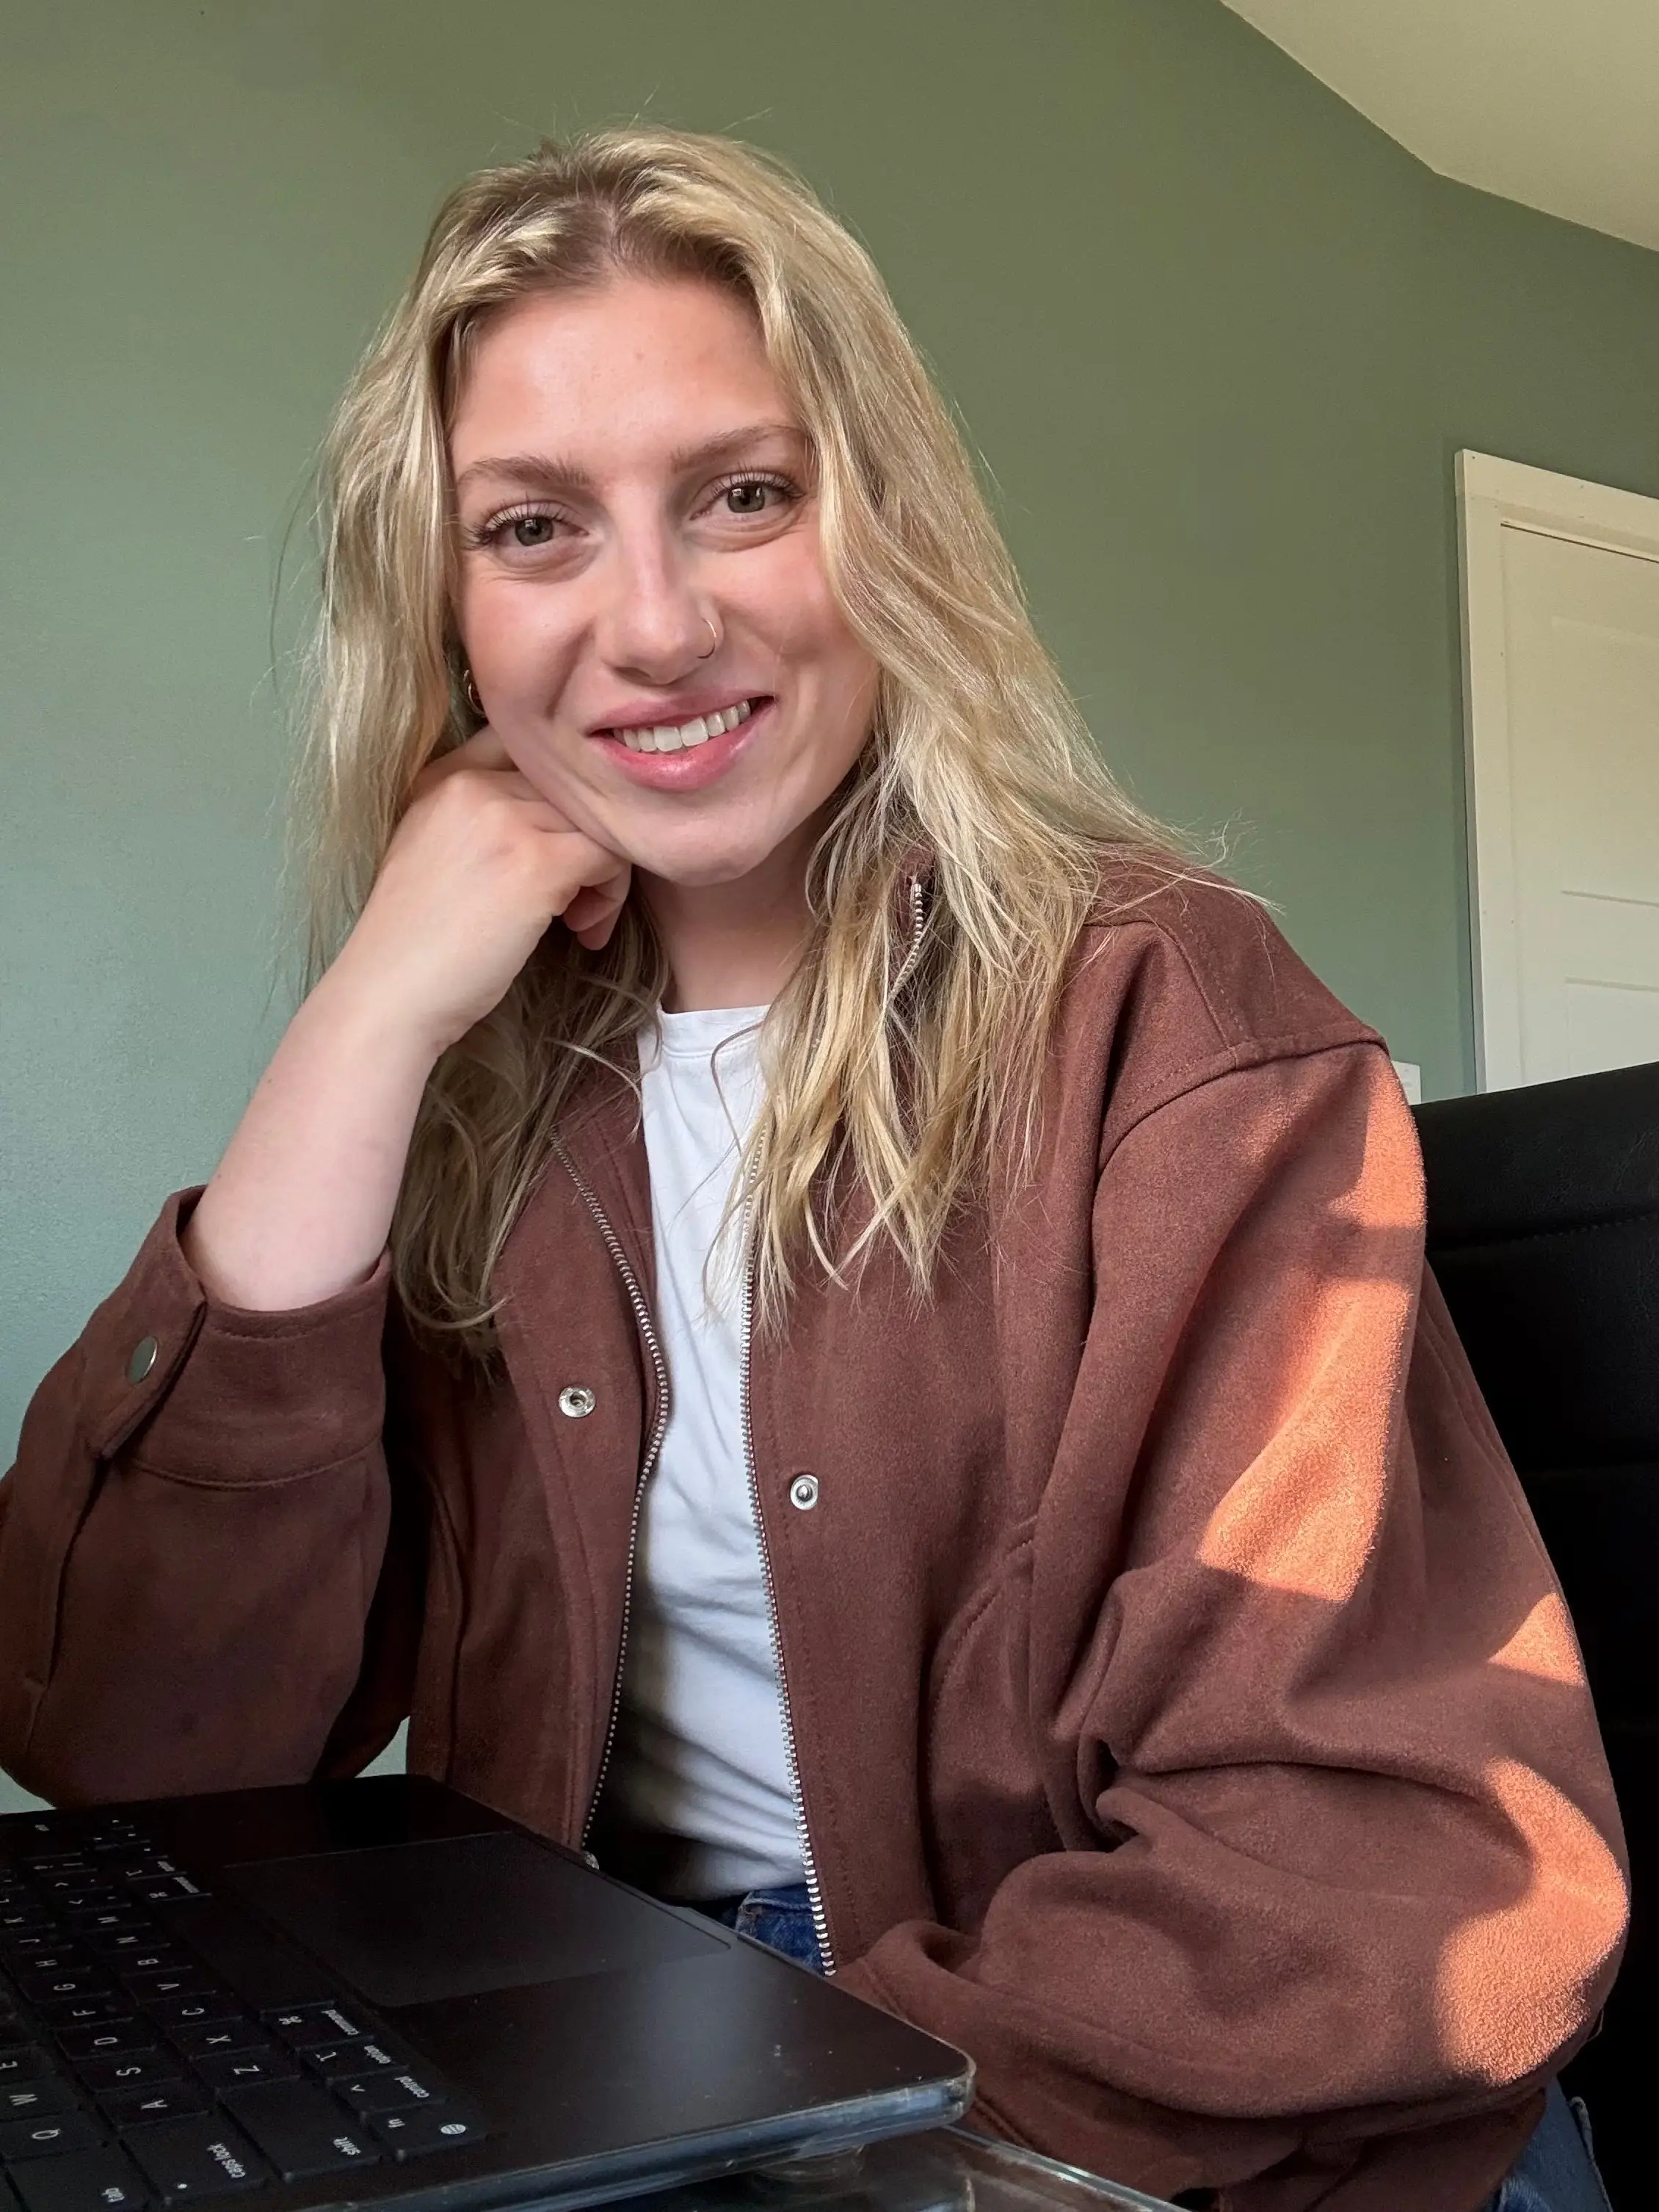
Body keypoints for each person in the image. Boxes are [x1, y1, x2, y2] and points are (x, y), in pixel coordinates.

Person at [0, 131, 1624, 2212]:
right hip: (614, 2038)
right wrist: (371, 1018)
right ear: (446, 612)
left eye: (743, 494)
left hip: (1105, 2103)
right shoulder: (482, 1086)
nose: (657, 625)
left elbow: (1376, 1867)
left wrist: (769, 2107)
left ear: (884, 528)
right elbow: (137, 1750)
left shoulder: (1169, 1019)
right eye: (534, 528)